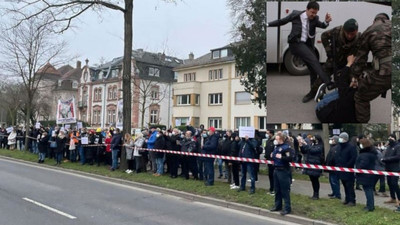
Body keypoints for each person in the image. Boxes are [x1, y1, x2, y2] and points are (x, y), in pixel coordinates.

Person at [267, 1, 332, 103]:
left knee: (313, 69)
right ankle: (328, 82)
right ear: (306, 9)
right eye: (312, 12)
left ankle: (313, 92)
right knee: (314, 60)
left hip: (307, 46)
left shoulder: (314, 19)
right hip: (296, 44)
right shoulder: (296, 15)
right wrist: (268, 24)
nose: (313, 15)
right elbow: (282, 21)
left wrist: (326, 22)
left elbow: (322, 25)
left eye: (315, 13)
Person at [351, 13, 391, 123]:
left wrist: (354, 77)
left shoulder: (370, 30)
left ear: (374, 21)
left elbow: (360, 59)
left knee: (361, 97)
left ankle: (361, 123)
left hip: (385, 72)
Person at [314, 18, 361, 100]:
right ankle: (313, 93)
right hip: (333, 59)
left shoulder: (360, 38)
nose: (349, 36)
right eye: (347, 33)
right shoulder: (337, 31)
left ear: (356, 31)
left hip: (348, 63)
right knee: (321, 77)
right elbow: (324, 36)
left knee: (346, 82)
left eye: (352, 34)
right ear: (344, 30)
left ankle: (344, 98)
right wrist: (329, 51)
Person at [270, 132, 294, 216]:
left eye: (276, 139)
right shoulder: (277, 147)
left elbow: (290, 158)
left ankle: (287, 208)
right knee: (277, 189)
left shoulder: (286, 148)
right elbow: (275, 156)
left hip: (283, 170)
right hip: (276, 169)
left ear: (281, 139)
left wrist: (282, 157)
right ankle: (278, 205)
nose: (275, 140)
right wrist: (272, 155)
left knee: (284, 190)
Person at [334, 132, 357, 206]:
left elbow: (353, 158)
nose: (340, 139)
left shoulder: (351, 147)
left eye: (341, 138)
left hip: (348, 170)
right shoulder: (339, 146)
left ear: (345, 139)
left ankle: (352, 200)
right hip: (341, 169)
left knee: (349, 185)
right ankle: (347, 199)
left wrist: (347, 166)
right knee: (344, 185)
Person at [299, 134, 324, 200]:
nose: (312, 138)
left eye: (313, 137)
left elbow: (313, 151)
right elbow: (305, 151)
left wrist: (306, 144)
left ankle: (316, 194)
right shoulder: (311, 145)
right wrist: (301, 146)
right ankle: (314, 194)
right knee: (312, 180)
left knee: (315, 180)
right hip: (310, 164)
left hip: (315, 165)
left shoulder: (320, 146)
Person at [356, 138, 378, 212]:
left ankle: (370, 206)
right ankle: (370, 205)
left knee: (368, 191)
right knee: (369, 190)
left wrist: (357, 170)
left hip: (365, 175)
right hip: (370, 174)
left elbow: (362, 164)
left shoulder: (364, 155)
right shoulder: (372, 153)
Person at [382, 134, 400, 209]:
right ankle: (392, 197)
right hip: (388, 168)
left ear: (394, 138)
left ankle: (399, 199)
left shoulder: (398, 146)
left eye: (391, 138)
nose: (390, 139)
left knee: (394, 183)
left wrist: (387, 159)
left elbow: (398, 157)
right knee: (389, 183)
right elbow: (385, 155)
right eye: (389, 138)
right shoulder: (388, 147)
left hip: (395, 168)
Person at [325, 135, 341, 199]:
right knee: (332, 181)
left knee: (334, 181)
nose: (331, 141)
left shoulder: (336, 148)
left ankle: (337, 194)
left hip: (334, 167)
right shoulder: (333, 147)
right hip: (331, 167)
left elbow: (333, 158)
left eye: (332, 139)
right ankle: (334, 192)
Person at [264, 129, 276, 195]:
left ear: (271, 134)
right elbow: (266, 148)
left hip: (273, 161)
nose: (267, 134)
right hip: (268, 160)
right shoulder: (268, 140)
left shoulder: (274, 141)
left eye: (268, 133)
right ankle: (271, 188)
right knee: (270, 175)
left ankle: (274, 189)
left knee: (273, 175)